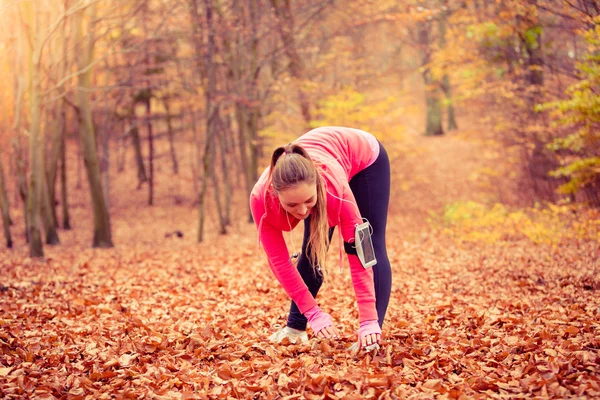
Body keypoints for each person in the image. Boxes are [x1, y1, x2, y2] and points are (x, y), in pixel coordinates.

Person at [250, 126, 392, 349]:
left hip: (366, 159)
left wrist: (368, 320)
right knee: (312, 248)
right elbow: (279, 262)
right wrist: (313, 312)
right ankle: (296, 326)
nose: (303, 211)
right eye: (292, 205)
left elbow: (361, 253)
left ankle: (372, 333)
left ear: (316, 187)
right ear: (276, 195)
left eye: (308, 201)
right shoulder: (261, 201)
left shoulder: (335, 191)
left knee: (372, 244)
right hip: (325, 166)